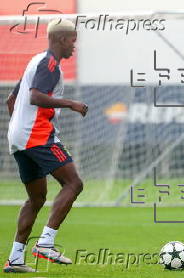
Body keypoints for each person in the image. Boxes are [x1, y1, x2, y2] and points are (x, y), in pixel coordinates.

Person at [3, 19, 88, 273]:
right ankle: (45, 243)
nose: (75, 46)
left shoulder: (35, 60)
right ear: (62, 39)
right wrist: (72, 103)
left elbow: (11, 99)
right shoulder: (50, 64)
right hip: (36, 135)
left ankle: (16, 258)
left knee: (36, 198)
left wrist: (19, 129)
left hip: (19, 138)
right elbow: (36, 96)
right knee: (74, 184)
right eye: (73, 40)